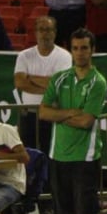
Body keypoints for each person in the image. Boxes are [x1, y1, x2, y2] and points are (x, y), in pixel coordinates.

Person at [39, 27, 107, 214]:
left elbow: (86, 121)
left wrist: (62, 114)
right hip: (58, 156)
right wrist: (70, 112)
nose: (80, 53)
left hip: (85, 158)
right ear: (70, 50)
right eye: (76, 48)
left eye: (85, 48)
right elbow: (43, 113)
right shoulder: (59, 79)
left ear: (92, 50)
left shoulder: (97, 82)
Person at [13, 16, 72, 158]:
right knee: (27, 154)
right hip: (29, 114)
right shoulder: (24, 56)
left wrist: (31, 78)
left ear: (55, 32)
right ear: (35, 32)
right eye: (41, 30)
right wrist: (49, 87)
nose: (45, 34)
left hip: (52, 114)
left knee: (50, 154)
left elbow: (60, 85)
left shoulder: (64, 56)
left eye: (48, 30)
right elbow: (20, 83)